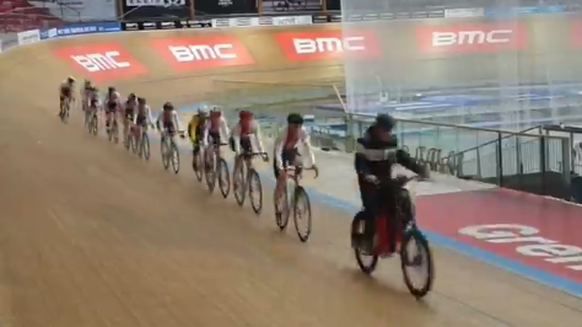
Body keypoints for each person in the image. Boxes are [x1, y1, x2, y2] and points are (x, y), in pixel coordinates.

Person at [352, 113, 429, 253]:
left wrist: (420, 169)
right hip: (370, 183)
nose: (388, 133)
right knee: (373, 209)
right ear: (377, 128)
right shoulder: (364, 143)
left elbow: (403, 158)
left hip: (387, 181)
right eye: (385, 130)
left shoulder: (391, 142)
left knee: (403, 199)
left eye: (389, 130)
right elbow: (360, 164)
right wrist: (368, 176)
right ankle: (368, 240)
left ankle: (406, 231)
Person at [273, 113, 318, 216]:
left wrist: (312, 163)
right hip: (282, 153)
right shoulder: (283, 133)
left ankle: (295, 194)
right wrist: (280, 168)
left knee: (298, 169)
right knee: (282, 177)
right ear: (289, 125)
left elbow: (307, 148)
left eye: (299, 126)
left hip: (293, 151)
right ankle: (279, 201)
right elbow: (278, 152)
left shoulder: (303, 132)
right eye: (294, 126)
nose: (297, 129)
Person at [231, 110, 268, 187]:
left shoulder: (254, 125)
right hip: (236, 140)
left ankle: (249, 182)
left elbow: (258, 140)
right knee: (239, 160)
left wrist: (263, 153)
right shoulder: (237, 127)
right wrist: (238, 152)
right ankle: (235, 179)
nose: (248, 121)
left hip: (247, 140)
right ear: (241, 120)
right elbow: (236, 141)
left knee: (249, 162)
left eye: (249, 119)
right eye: (246, 120)